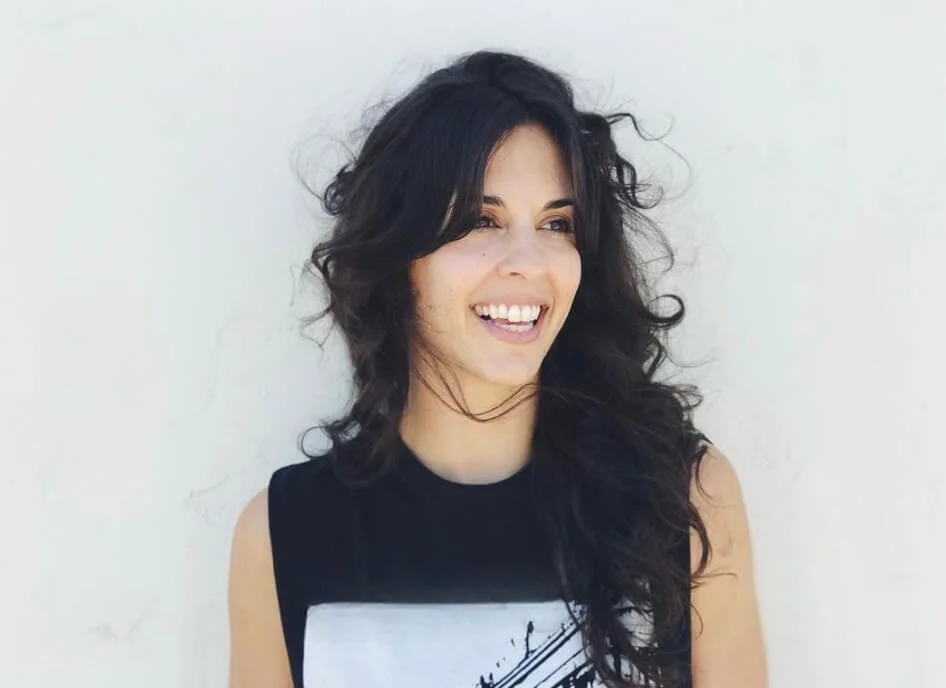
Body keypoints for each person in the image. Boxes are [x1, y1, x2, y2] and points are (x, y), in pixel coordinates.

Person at [227, 50, 766, 688]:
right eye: (483, 220)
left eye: (557, 223)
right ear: (401, 257)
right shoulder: (285, 535)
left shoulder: (683, 500)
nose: (528, 261)